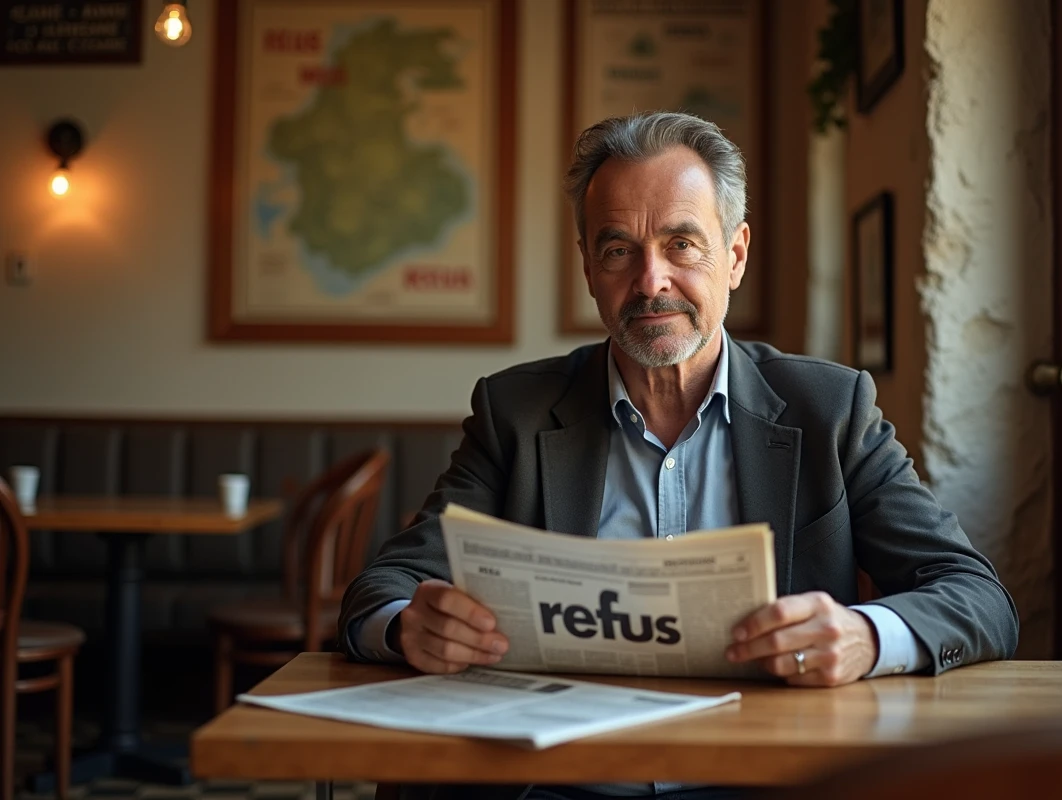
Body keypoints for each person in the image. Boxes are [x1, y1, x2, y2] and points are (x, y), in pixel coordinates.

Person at [339, 111, 1018, 800]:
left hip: (766, 783)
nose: (650, 281)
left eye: (682, 244)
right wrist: (407, 629)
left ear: (737, 255)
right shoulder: (514, 411)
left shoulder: (830, 410)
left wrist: (866, 638)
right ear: (588, 268)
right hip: (557, 785)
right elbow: (386, 585)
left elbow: (977, 598)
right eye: (617, 251)